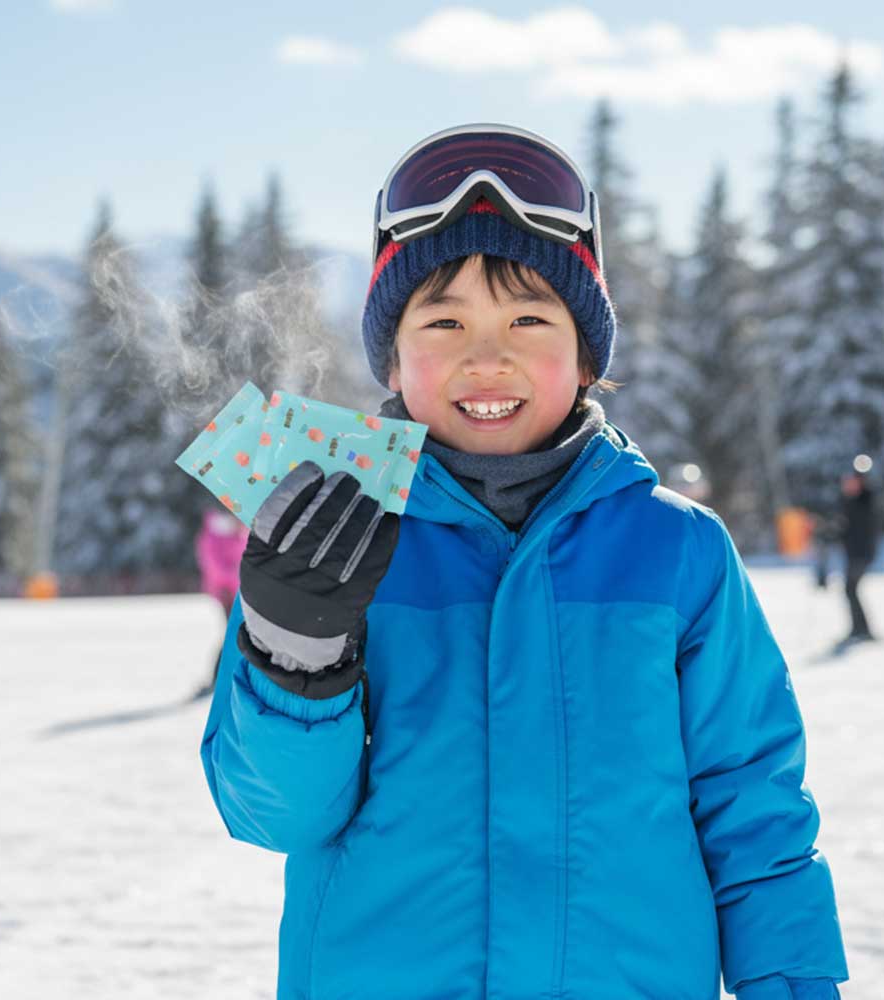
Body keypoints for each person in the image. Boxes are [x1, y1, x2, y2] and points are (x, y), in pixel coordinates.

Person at [200, 124, 848, 999]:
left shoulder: (679, 553)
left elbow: (753, 809)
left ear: (587, 355)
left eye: (529, 318)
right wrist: (292, 658)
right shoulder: (330, 543)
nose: (486, 354)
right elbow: (274, 813)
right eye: (445, 320)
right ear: (392, 357)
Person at [193, 507, 248, 698]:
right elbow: (213, 566)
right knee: (233, 634)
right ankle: (218, 678)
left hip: (243, 593)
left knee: (240, 634)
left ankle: (228, 677)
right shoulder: (215, 534)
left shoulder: (240, 532)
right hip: (226, 593)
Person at [838, 467, 877, 642]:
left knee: (850, 588)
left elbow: (853, 527)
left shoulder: (864, 500)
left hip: (861, 553)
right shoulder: (852, 501)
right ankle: (859, 628)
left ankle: (861, 629)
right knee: (850, 589)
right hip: (855, 553)